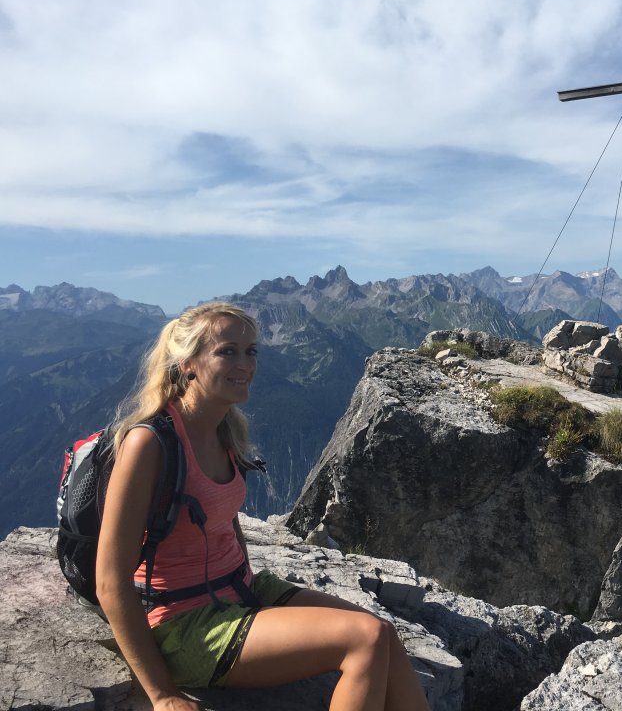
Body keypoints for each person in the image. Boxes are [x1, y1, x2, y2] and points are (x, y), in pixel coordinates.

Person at [95, 301, 430, 711]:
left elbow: (221, 520)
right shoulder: (149, 444)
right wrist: (162, 694)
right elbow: (110, 582)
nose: (245, 364)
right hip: (184, 624)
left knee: (383, 632)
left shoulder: (224, 431)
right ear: (188, 365)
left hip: (241, 591)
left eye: (251, 351)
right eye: (227, 351)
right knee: (365, 640)